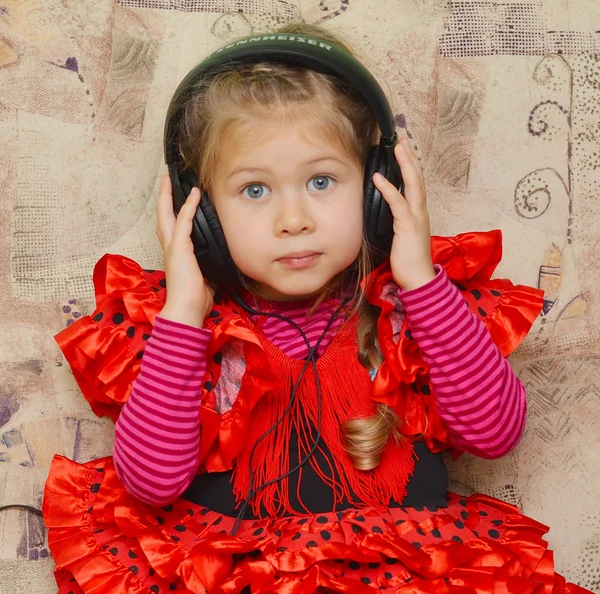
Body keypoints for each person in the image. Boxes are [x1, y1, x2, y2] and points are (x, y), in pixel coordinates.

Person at [41, 21, 590, 594]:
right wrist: (183, 313)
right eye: (255, 190)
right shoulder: (192, 331)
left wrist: (421, 283)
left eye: (322, 181)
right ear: (198, 215)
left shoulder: (408, 313)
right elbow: (151, 483)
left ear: (379, 190)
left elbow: (495, 433)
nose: (293, 218)